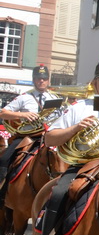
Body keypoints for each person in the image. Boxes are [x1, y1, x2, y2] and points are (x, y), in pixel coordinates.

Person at [21, 57, 99, 235]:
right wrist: (75, 128)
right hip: (84, 165)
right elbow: (50, 138)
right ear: (94, 83)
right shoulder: (80, 107)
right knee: (58, 194)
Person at [0, 65, 57, 195]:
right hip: (27, 137)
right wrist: (23, 115)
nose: (41, 81)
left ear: (48, 80)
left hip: (49, 136)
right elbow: (3, 113)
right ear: (33, 80)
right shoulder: (24, 97)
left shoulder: (54, 98)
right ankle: (2, 193)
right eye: (38, 78)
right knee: (5, 159)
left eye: (44, 78)